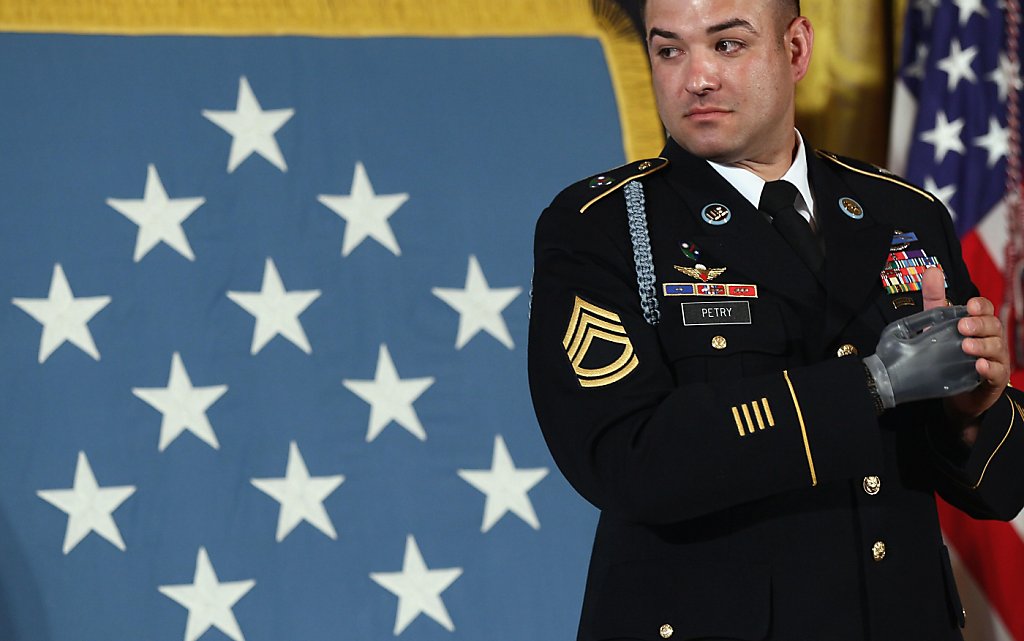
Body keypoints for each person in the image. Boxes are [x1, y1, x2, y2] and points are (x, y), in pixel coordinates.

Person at [526, 0, 1024, 639]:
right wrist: (870, 383)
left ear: (796, 50)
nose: (696, 77)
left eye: (727, 45)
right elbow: (625, 460)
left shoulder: (902, 211)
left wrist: (972, 410)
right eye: (669, 49)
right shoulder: (601, 227)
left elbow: (997, 488)